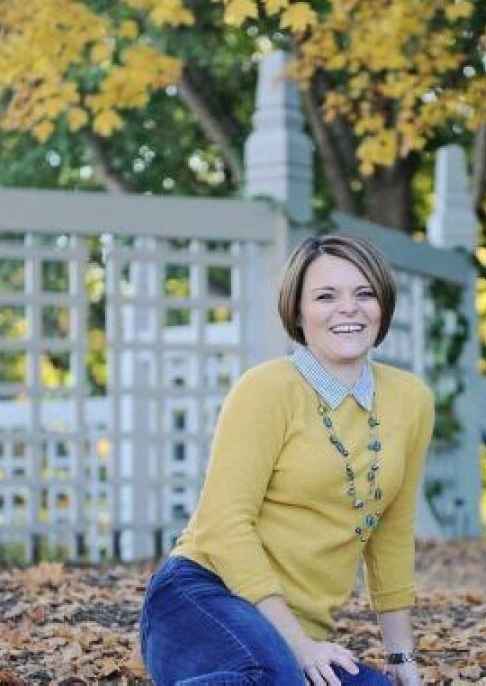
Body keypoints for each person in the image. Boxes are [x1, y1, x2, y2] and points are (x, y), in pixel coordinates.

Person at [139, 234, 435, 686]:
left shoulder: (411, 399)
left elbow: (391, 532)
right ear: (297, 311)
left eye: (364, 293)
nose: (348, 308)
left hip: (293, 631)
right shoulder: (265, 389)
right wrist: (298, 645)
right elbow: (223, 526)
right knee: (275, 676)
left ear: (383, 304)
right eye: (325, 296)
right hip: (202, 598)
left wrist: (401, 656)